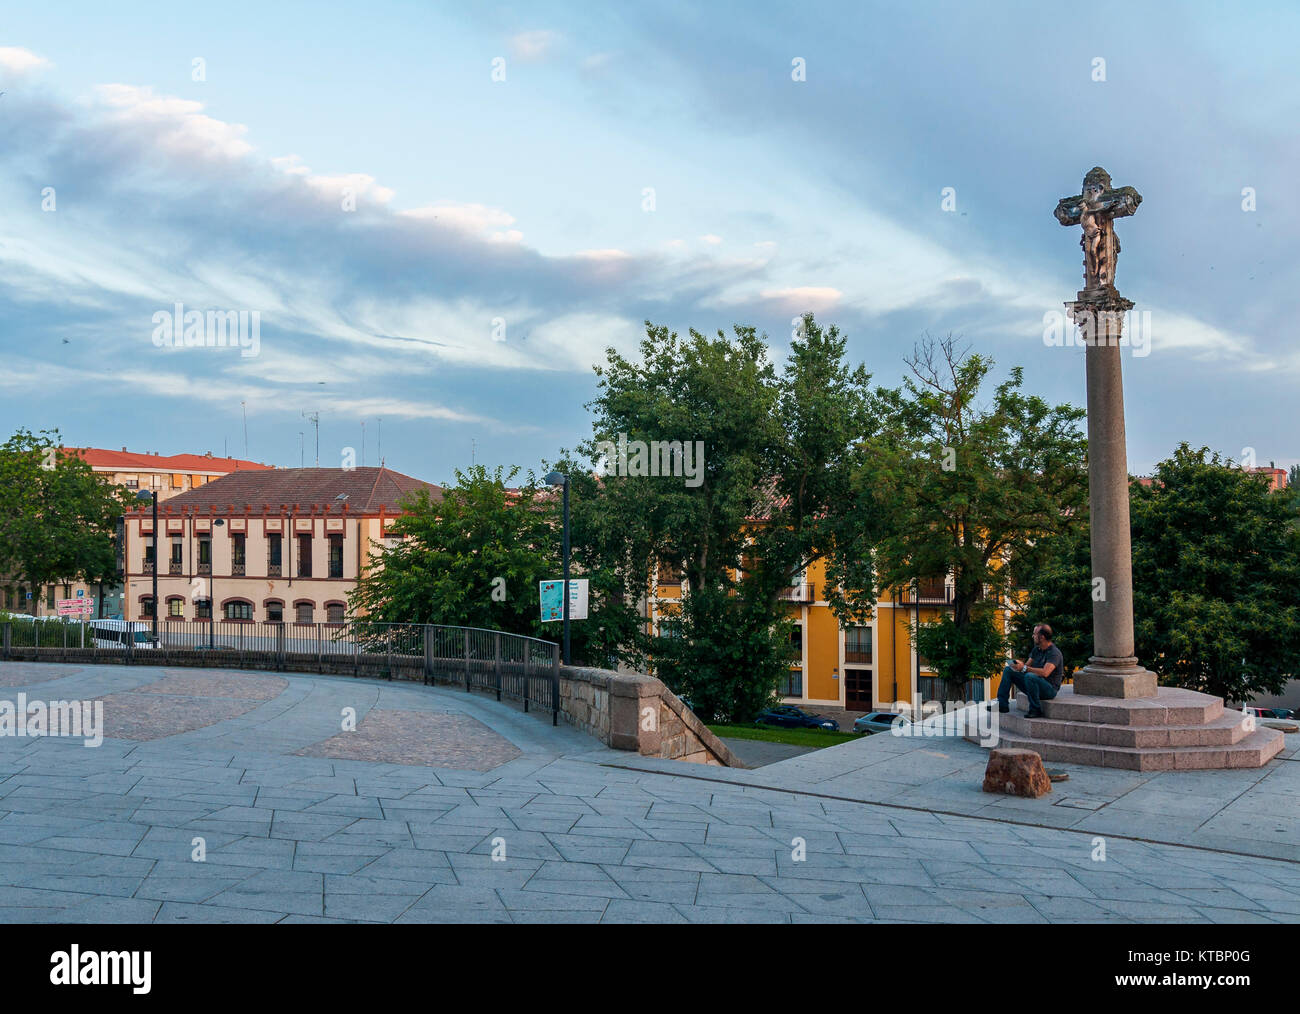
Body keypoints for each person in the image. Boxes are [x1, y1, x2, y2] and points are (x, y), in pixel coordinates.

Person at [996, 624, 1065, 718]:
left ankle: (1035, 709)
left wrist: (1025, 668)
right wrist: (1019, 665)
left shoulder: (1054, 653)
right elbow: (1027, 666)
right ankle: (1002, 705)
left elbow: (1045, 672)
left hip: (1049, 689)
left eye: (1034, 634)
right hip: (1033, 684)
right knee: (1008, 670)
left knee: (1030, 676)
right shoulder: (1037, 649)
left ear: (1042, 637)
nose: (1033, 636)